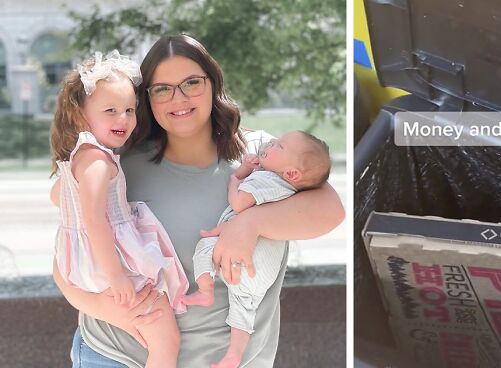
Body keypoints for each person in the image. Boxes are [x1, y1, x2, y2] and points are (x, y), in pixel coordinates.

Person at [52, 34, 344, 368]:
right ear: (146, 98)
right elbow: (70, 250)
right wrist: (106, 307)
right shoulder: (115, 162)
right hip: (116, 355)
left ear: (213, 83)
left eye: (192, 82)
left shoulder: (262, 155)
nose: (178, 98)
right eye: (162, 88)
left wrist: (249, 223)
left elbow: (331, 210)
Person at [49, 50, 189, 368]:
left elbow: (60, 197)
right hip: (107, 265)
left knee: (149, 329)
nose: (123, 119)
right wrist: (116, 276)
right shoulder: (97, 160)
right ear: (80, 115)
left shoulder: (82, 155)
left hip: (87, 261)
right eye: (110, 110)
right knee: (167, 344)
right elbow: (93, 218)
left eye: (129, 110)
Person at [183, 130, 331, 367]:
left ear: (291, 173)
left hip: (247, 256)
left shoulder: (270, 181)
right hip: (261, 270)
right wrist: (246, 169)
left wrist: (234, 181)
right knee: (244, 307)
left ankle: (205, 289)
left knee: (205, 244)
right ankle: (234, 354)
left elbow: (240, 202)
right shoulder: (283, 185)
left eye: (279, 146)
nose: (271, 142)